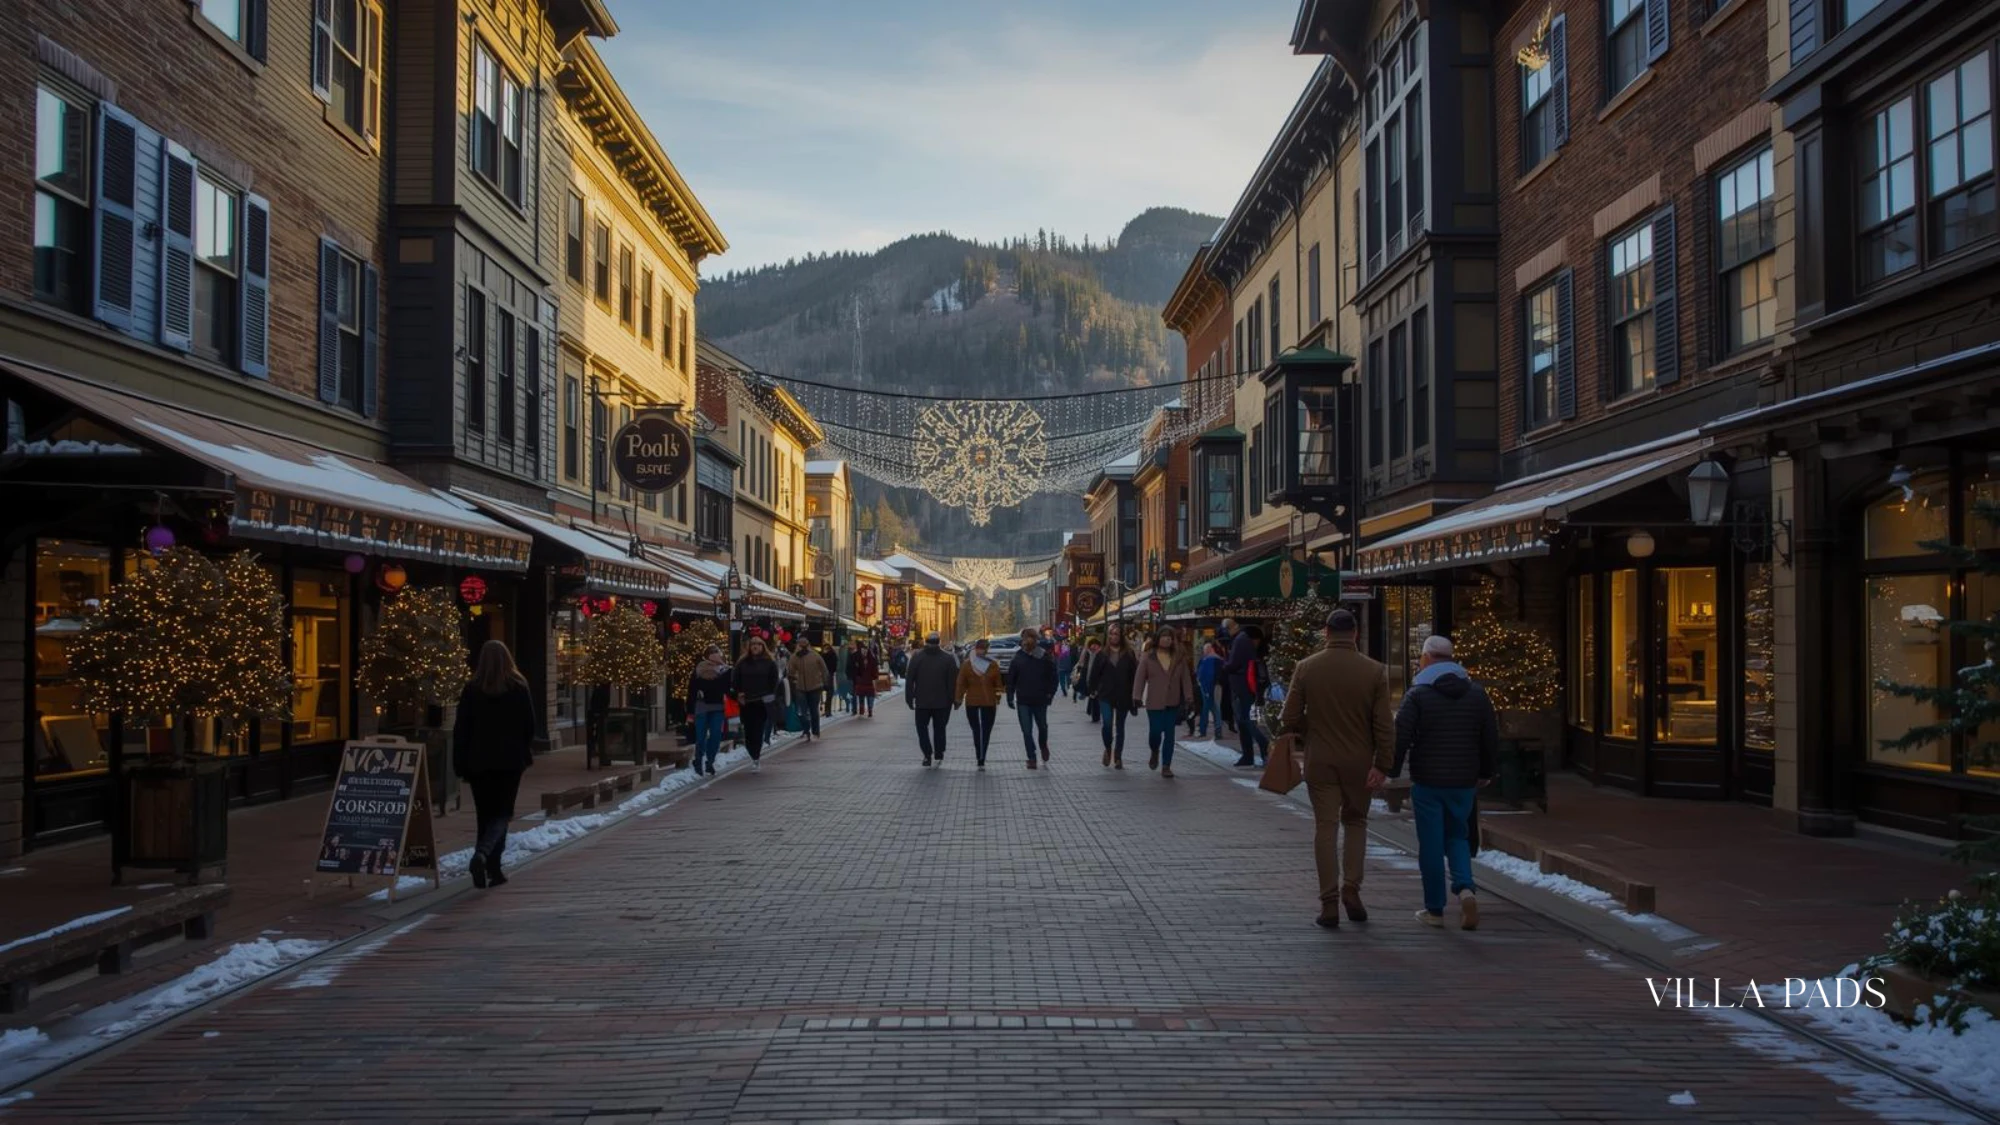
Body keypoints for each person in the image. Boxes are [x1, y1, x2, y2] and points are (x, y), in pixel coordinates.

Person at [1278, 609, 1394, 929]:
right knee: (1356, 822)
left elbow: (1287, 717)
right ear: (1355, 634)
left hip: (1320, 759)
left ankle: (1328, 901)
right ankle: (1352, 889)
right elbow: (1384, 725)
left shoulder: (1306, 668)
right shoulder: (1375, 671)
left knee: (1325, 828)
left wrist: (1310, 728)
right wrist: (1383, 763)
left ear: (1326, 632)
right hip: (1359, 761)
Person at [1392, 636, 1499, 931]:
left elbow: (1401, 734)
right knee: (1458, 836)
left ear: (1426, 658)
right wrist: (1486, 770)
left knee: (1430, 844)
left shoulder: (1418, 695)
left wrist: (1389, 767)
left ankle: (1434, 909)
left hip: (1428, 779)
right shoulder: (1477, 695)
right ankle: (1465, 888)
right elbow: (1490, 736)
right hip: (1464, 780)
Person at [452, 640, 538, 889]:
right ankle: (488, 860)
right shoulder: (518, 687)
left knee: (485, 814)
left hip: (479, 762)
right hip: (510, 762)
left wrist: (461, 762)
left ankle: (486, 864)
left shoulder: (471, 689)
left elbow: (462, 729)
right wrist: (521, 748)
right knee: (502, 814)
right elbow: (529, 725)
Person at [1132, 626, 1200, 778]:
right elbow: (1140, 677)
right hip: (1154, 701)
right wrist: (1136, 696)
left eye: (1170, 637)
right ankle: (1155, 750)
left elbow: (1186, 680)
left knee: (1169, 734)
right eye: (1164, 636)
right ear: (1158, 639)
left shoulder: (1178, 657)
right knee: (1155, 732)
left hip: (1172, 701)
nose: (1167, 639)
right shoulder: (1149, 656)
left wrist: (1189, 698)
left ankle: (1166, 765)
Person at [1086, 622, 1139, 769]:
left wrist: (1136, 696)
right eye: (1111, 634)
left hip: (1123, 694)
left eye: (1116, 634)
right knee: (1107, 724)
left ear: (1121, 636)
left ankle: (1118, 756)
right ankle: (1108, 748)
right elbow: (1094, 674)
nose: (1113, 636)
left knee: (1120, 726)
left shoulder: (1128, 654)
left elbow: (1134, 676)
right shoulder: (1102, 654)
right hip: (1106, 694)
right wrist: (1092, 689)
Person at [1006, 626, 1060, 769]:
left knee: (1042, 727)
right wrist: (1010, 696)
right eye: (1025, 638)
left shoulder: (1044, 656)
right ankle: (1031, 757)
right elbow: (1011, 678)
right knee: (1026, 730)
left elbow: (1053, 677)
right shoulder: (1018, 657)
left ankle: (1043, 745)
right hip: (1023, 700)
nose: (1027, 641)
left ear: (1036, 640)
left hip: (1040, 699)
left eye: (1031, 638)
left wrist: (1050, 694)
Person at [904, 631, 959, 766]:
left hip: (922, 702)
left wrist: (909, 698)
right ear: (939, 642)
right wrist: (954, 699)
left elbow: (909, 679)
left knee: (922, 728)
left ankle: (927, 754)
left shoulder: (917, 658)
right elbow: (953, 682)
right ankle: (939, 751)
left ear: (925, 642)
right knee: (940, 728)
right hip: (942, 702)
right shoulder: (948, 659)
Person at [1222, 617, 1269, 767]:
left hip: (1241, 686)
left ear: (1230, 628)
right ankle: (1248, 755)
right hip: (1244, 685)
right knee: (1244, 721)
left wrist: (1224, 666)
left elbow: (1234, 664)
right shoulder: (1242, 639)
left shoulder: (1240, 640)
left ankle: (1263, 748)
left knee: (1246, 720)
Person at [955, 638, 1005, 770]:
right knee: (986, 731)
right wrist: (997, 698)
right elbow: (998, 685)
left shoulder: (967, 664)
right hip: (989, 702)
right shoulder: (993, 664)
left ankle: (979, 755)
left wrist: (958, 699)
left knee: (976, 730)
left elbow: (961, 684)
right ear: (987, 650)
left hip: (971, 702)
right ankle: (982, 756)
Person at [733, 635, 781, 771]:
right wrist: (738, 692)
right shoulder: (742, 663)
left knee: (758, 729)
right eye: (753, 644)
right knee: (748, 731)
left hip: (762, 701)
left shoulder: (769, 663)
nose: (755, 646)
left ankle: (756, 756)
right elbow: (735, 680)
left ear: (762, 646)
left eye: (758, 644)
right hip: (747, 702)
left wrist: (771, 695)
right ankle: (752, 752)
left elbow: (774, 681)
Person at [685, 644, 731, 776]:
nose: (716, 655)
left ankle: (710, 761)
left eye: (717, 652)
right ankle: (698, 760)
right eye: (713, 653)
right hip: (702, 706)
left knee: (716, 735)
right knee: (701, 736)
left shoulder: (725, 670)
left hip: (718, 706)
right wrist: (690, 710)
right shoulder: (699, 670)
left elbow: (728, 687)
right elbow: (692, 690)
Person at [788, 641, 829, 742]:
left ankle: (815, 732)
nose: (799, 648)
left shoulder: (815, 656)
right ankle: (806, 730)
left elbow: (824, 669)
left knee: (813, 710)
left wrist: (824, 682)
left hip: (815, 687)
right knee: (802, 711)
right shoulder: (794, 657)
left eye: (801, 646)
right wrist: (794, 678)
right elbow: (790, 671)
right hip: (800, 688)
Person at [1193, 639, 1225, 739]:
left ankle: (1206, 730)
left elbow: (1200, 673)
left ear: (1210, 649)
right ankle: (1217, 731)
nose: (1204, 652)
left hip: (1212, 686)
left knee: (1211, 708)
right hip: (1213, 686)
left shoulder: (1209, 660)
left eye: (1205, 650)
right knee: (1214, 708)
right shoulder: (1217, 660)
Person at [584, 680, 611, 768]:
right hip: (598, 717)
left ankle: (595, 750)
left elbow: (593, 703)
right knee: (600, 735)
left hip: (595, 716)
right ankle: (599, 754)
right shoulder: (603, 692)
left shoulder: (599, 690)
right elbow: (602, 705)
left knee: (595, 735)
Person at [849, 638, 879, 717]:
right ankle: (861, 709)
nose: (864, 651)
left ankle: (870, 710)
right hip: (861, 682)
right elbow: (855, 669)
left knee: (870, 698)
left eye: (865, 650)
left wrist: (874, 678)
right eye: (862, 650)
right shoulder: (858, 658)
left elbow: (874, 670)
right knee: (861, 696)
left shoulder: (872, 659)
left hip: (869, 682)